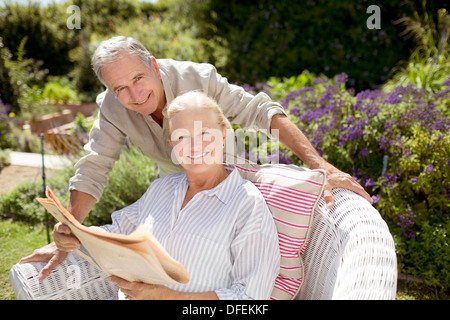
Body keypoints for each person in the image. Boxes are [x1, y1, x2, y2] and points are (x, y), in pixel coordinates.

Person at [20, 36, 371, 279]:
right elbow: (95, 163)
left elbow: (259, 111)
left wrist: (319, 165)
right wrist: (72, 228)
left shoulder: (196, 78)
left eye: (139, 78)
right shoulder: (114, 108)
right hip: (176, 184)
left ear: (154, 66)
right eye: (120, 88)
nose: (134, 94)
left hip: (226, 173)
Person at [54, 92, 281, 300]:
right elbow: (117, 231)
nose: (194, 146)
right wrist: (78, 234)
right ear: (172, 144)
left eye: (204, 133)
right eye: (182, 137)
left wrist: (166, 296)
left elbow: (250, 300)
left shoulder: (247, 205)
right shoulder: (163, 188)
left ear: (223, 135)